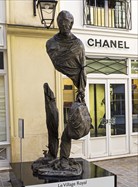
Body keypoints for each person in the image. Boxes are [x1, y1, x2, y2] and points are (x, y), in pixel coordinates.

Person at [46, 10, 87, 169]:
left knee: (69, 129)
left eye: (67, 22)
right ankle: (56, 155)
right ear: (58, 23)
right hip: (55, 93)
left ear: (72, 24)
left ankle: (63, 158)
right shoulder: (51, 44)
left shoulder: (78, 45)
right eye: (62, 22)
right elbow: (57, 60)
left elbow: (82, 68)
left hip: (78, 86)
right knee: (53, 118)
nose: (64, 25)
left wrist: (82, 88)